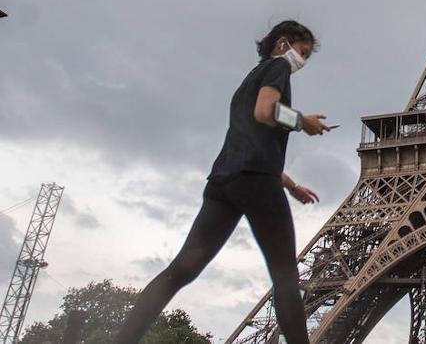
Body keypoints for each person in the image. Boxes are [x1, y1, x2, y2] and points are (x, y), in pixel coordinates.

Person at [114, 20, 332, 344]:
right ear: (283, 43)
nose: (301, 64)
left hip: (223, 183)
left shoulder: (247, 81)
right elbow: (265, 112)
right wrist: (302, 121)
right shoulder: (277, 68)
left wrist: (288, 184)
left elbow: (248, 140)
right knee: (285, 276)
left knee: (180, 272)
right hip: (255, 182)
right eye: (301, 53)